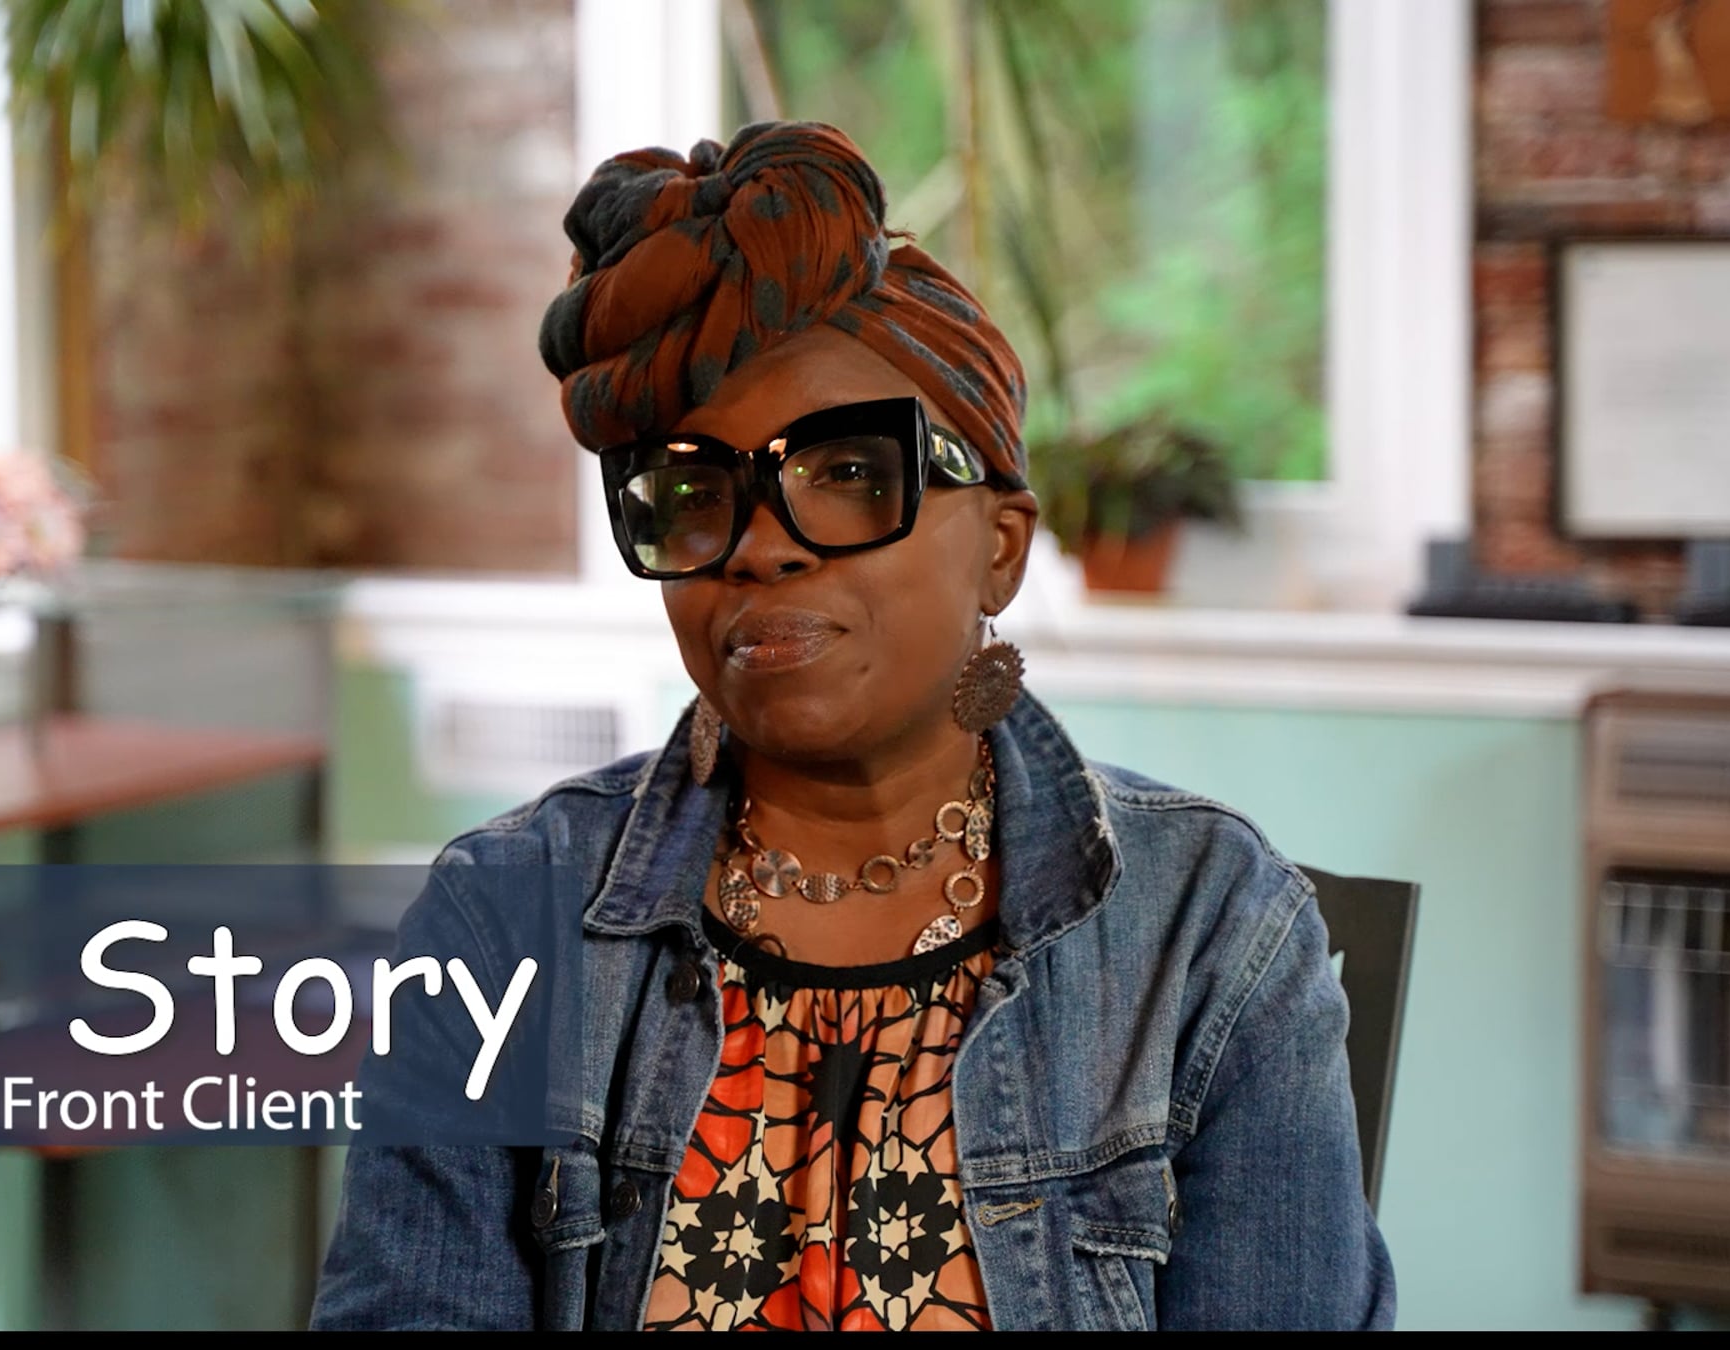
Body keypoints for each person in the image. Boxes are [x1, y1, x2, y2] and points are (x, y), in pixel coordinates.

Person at [310, 121, 1394, 1332]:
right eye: (692, 493)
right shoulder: (506, 917)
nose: (760, 545)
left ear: (1000, 548)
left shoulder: (1208, 932)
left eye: (846, 473)